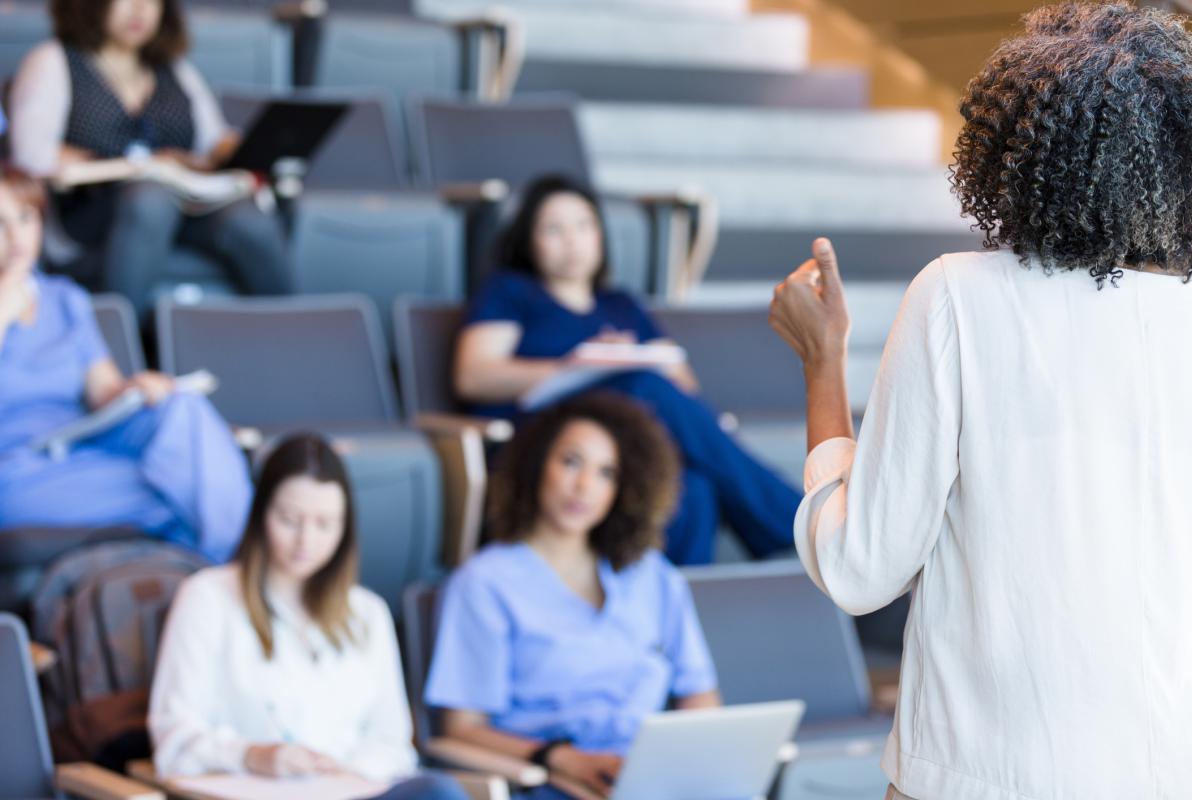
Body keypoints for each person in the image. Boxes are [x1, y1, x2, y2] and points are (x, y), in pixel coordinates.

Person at [769, 4, 1192, 799]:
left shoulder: (960, 299)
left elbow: (862, 566)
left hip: (979, 772)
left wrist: (822, 360)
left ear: (1014, 150)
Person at [455, 174, 802, 564]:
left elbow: (684, 384)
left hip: (623, 439)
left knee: (696, 486)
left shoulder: (621, 304)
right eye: (554, 229)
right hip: (545, 433)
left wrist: (631, 357)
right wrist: (574, 365)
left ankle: (678, 607)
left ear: (600, 237)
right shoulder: (511, 291)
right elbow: (474, 375)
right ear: (529, 240)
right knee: (642, 385)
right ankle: (793, 524)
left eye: (583, 227)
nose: (572, 240)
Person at [425, 394, 720, 800]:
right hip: (554, 779)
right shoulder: (484, 583)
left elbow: (699, 694)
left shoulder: (652, 576)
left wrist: (692, 764)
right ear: (537, 466)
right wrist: (558, 759)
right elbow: (461, 728)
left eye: (606, 473)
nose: (584, 486)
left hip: (651, 778)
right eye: (570, 462)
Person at [149, 434, 467, 800]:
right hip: (253, 793)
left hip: (348, 790)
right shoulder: (208, 598)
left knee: (438, 791)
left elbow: (393, 746)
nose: (306, 540)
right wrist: (253, 755)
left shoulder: (367, 613)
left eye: (324, 524)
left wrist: (341, 769)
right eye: (289, 519)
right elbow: (174, 738)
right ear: (260, 514)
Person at [0, 164, 249, 562]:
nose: (15, 239)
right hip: (18, 470)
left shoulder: (64, 298)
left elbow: (103, 391)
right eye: (0, 224)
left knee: (182, 408)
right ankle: (237, 571)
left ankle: (229, 568)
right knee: (183, 486)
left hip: (82, 443)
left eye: (26, 218)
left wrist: (134, 389)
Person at [7, 0, 291, 316]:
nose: (140, 8)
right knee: (150, 199)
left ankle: (292, 333)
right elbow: (32, 156)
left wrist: (255, 145)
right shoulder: (53, 60)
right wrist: (134, 163)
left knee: (248, 219)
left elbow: (212, 140)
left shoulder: (173, 68)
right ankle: (119, 346)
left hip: (185, 204)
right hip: (94, 213)